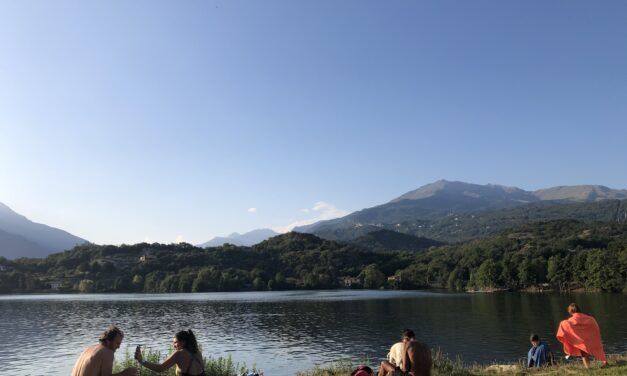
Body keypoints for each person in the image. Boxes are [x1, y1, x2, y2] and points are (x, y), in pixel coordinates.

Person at [556, 303, 608, 368]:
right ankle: (605, 362)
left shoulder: (571, 320)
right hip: (591, 339)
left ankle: (588, 368)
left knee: (584, 354)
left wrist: (562, 324)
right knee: (598, 350)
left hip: (582, 341)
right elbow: (594, 325)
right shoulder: (589, 318)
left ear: (570, 311)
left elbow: (565, 324)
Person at [71, 325, 137, 376]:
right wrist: (125, 373)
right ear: (108, 341)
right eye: (117, 343)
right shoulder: (107, 352)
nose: (118, 347)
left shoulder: (89, 349)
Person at [135, 329, 206, 376]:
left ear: (183, 342)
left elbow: (160, 368)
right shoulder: (197, 353)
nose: (174, 345)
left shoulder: (179, 354)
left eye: (175, 342)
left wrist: (141, 361)